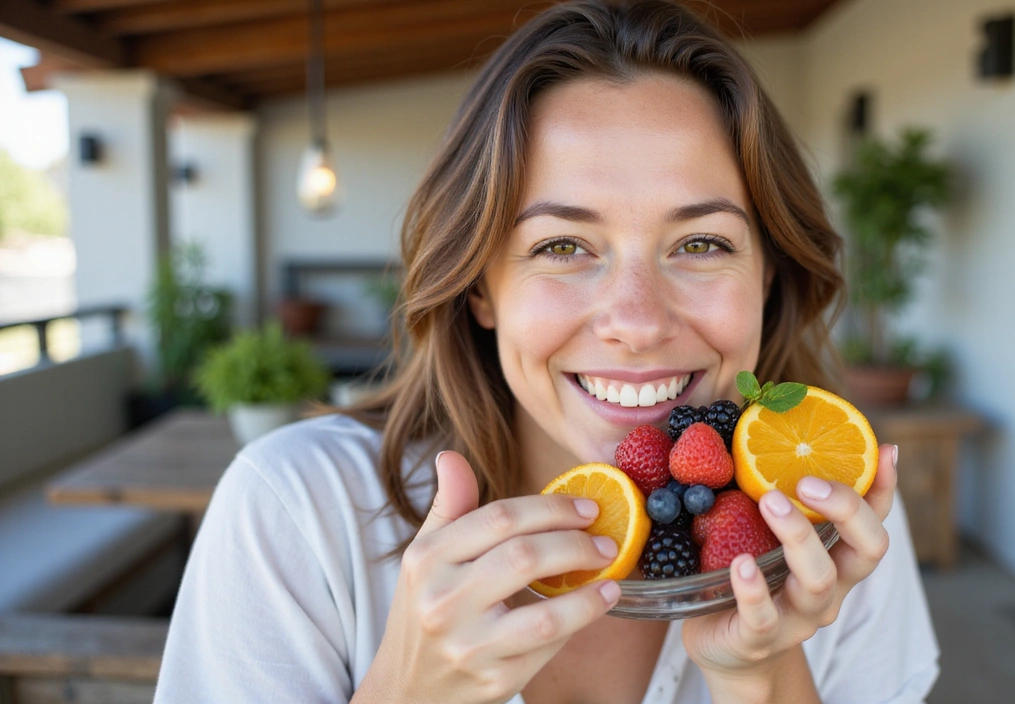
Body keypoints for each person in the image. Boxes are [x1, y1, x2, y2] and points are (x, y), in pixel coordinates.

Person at [154, 1, 939, 702]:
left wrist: (761, 680)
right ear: (480, 286)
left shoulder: (833, 512)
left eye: (701, 242)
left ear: (770, 276)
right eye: (563, 245)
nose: (636, 321)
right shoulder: (297, 512)